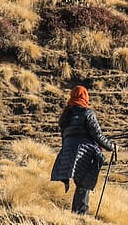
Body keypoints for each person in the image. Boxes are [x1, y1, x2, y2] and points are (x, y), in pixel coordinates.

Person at [50, 85, 117, 214]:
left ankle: (77, 214)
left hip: (67, 154)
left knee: (80, 183)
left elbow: (64, 137)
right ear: (85, 97)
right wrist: (112, 147)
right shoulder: (87, 113)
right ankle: (80, 215)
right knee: (84, 184)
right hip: (84, 153)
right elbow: (97, 135)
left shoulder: (66, 115)